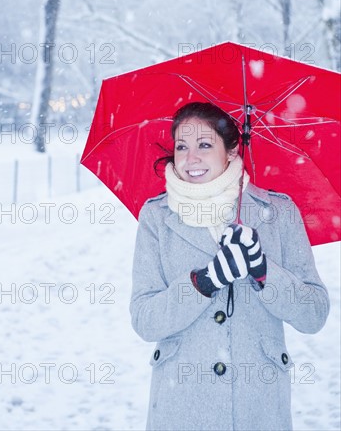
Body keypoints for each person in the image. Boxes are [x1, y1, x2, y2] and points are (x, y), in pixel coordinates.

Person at [129, 101, 330, 431]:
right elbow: (145, 320)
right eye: (182, 146)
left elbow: (314, 314)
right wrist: (205, 281)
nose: (190, 158)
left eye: (205, 145)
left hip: (260, 407)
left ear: (233, 149)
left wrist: (264, 271)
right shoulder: (157, 218)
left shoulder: (277, 212)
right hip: (182, 408)